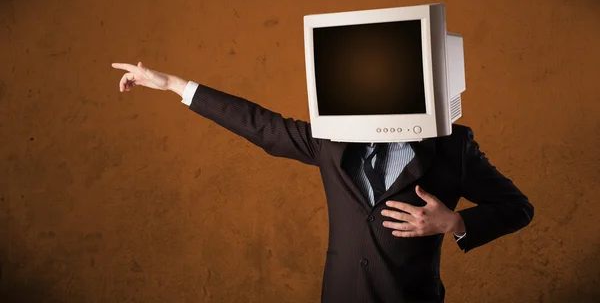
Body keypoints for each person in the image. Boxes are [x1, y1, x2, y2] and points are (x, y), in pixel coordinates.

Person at [111, 61, 534, 303]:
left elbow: (519, 208)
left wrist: (454, 223)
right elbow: (261, 126)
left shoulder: (452, 147)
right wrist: (172, 85)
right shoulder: (333, 141)